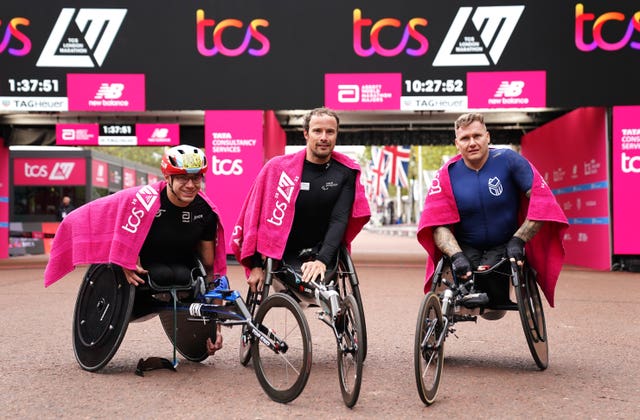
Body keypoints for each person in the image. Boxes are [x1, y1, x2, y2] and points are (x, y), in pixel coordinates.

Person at [45, 145, 227, 357]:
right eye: (182, 178)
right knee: (162, 274)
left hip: (181, 264)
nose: (190, 185)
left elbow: (211, 270)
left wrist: (215, 325)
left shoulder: (205, 211)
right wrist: (124, 258)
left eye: (196, 178)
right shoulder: (143, 201)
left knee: (184, 275)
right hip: (142, 268)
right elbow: (93, 214)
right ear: (167, 177)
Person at [417, 112, 568, 308]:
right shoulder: (447, 174)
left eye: (477, 136)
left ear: (487, 137)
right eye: (465, 138)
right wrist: (456, 255)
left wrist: (519, 239)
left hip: (505, 243)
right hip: (466, 246)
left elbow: (542, 204)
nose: (472, 143)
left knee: (490, 270)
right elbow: (436, 224)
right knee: (465, 269)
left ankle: (491, 296)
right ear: (457, 143)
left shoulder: (509, 160)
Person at [230, 107, 370, 292]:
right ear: (306, 134)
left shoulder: (346, 172)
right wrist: (256, 265)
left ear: (336, 135)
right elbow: (255, 217)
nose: (324, 137)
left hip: (323, 249)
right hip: (282, 251)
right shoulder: (277, 169)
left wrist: (321, 260)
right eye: (317, 131)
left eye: (330, 132)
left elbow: (339, 220)